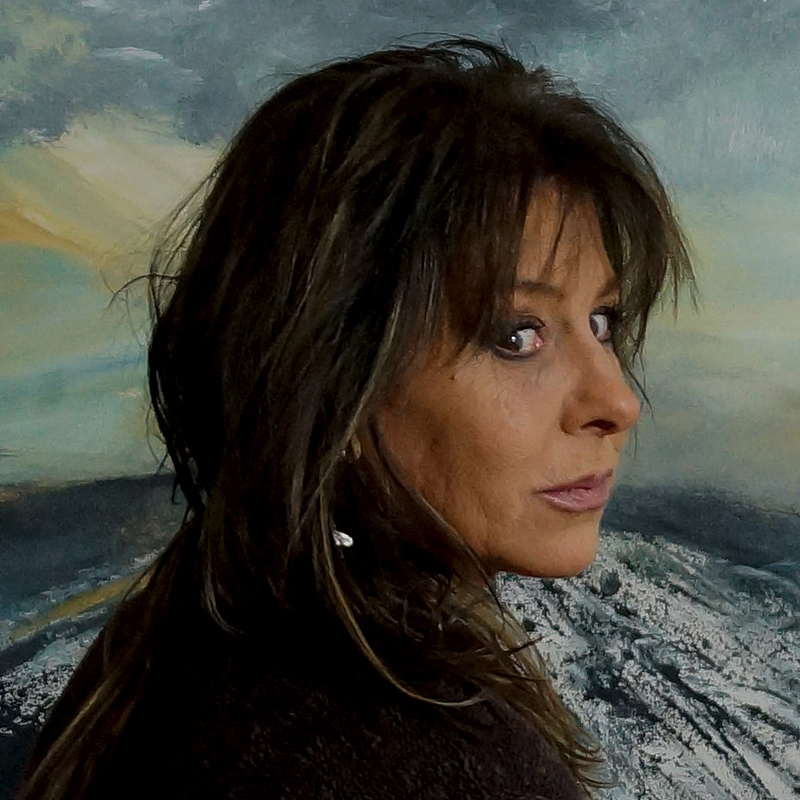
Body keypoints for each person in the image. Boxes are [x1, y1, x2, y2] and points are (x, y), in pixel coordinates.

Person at [18, 38, 692, 800]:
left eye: (602, 322)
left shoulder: (178, 646)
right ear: (335, 383)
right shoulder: (421, 761)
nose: (617, 402)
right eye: (517, 335)